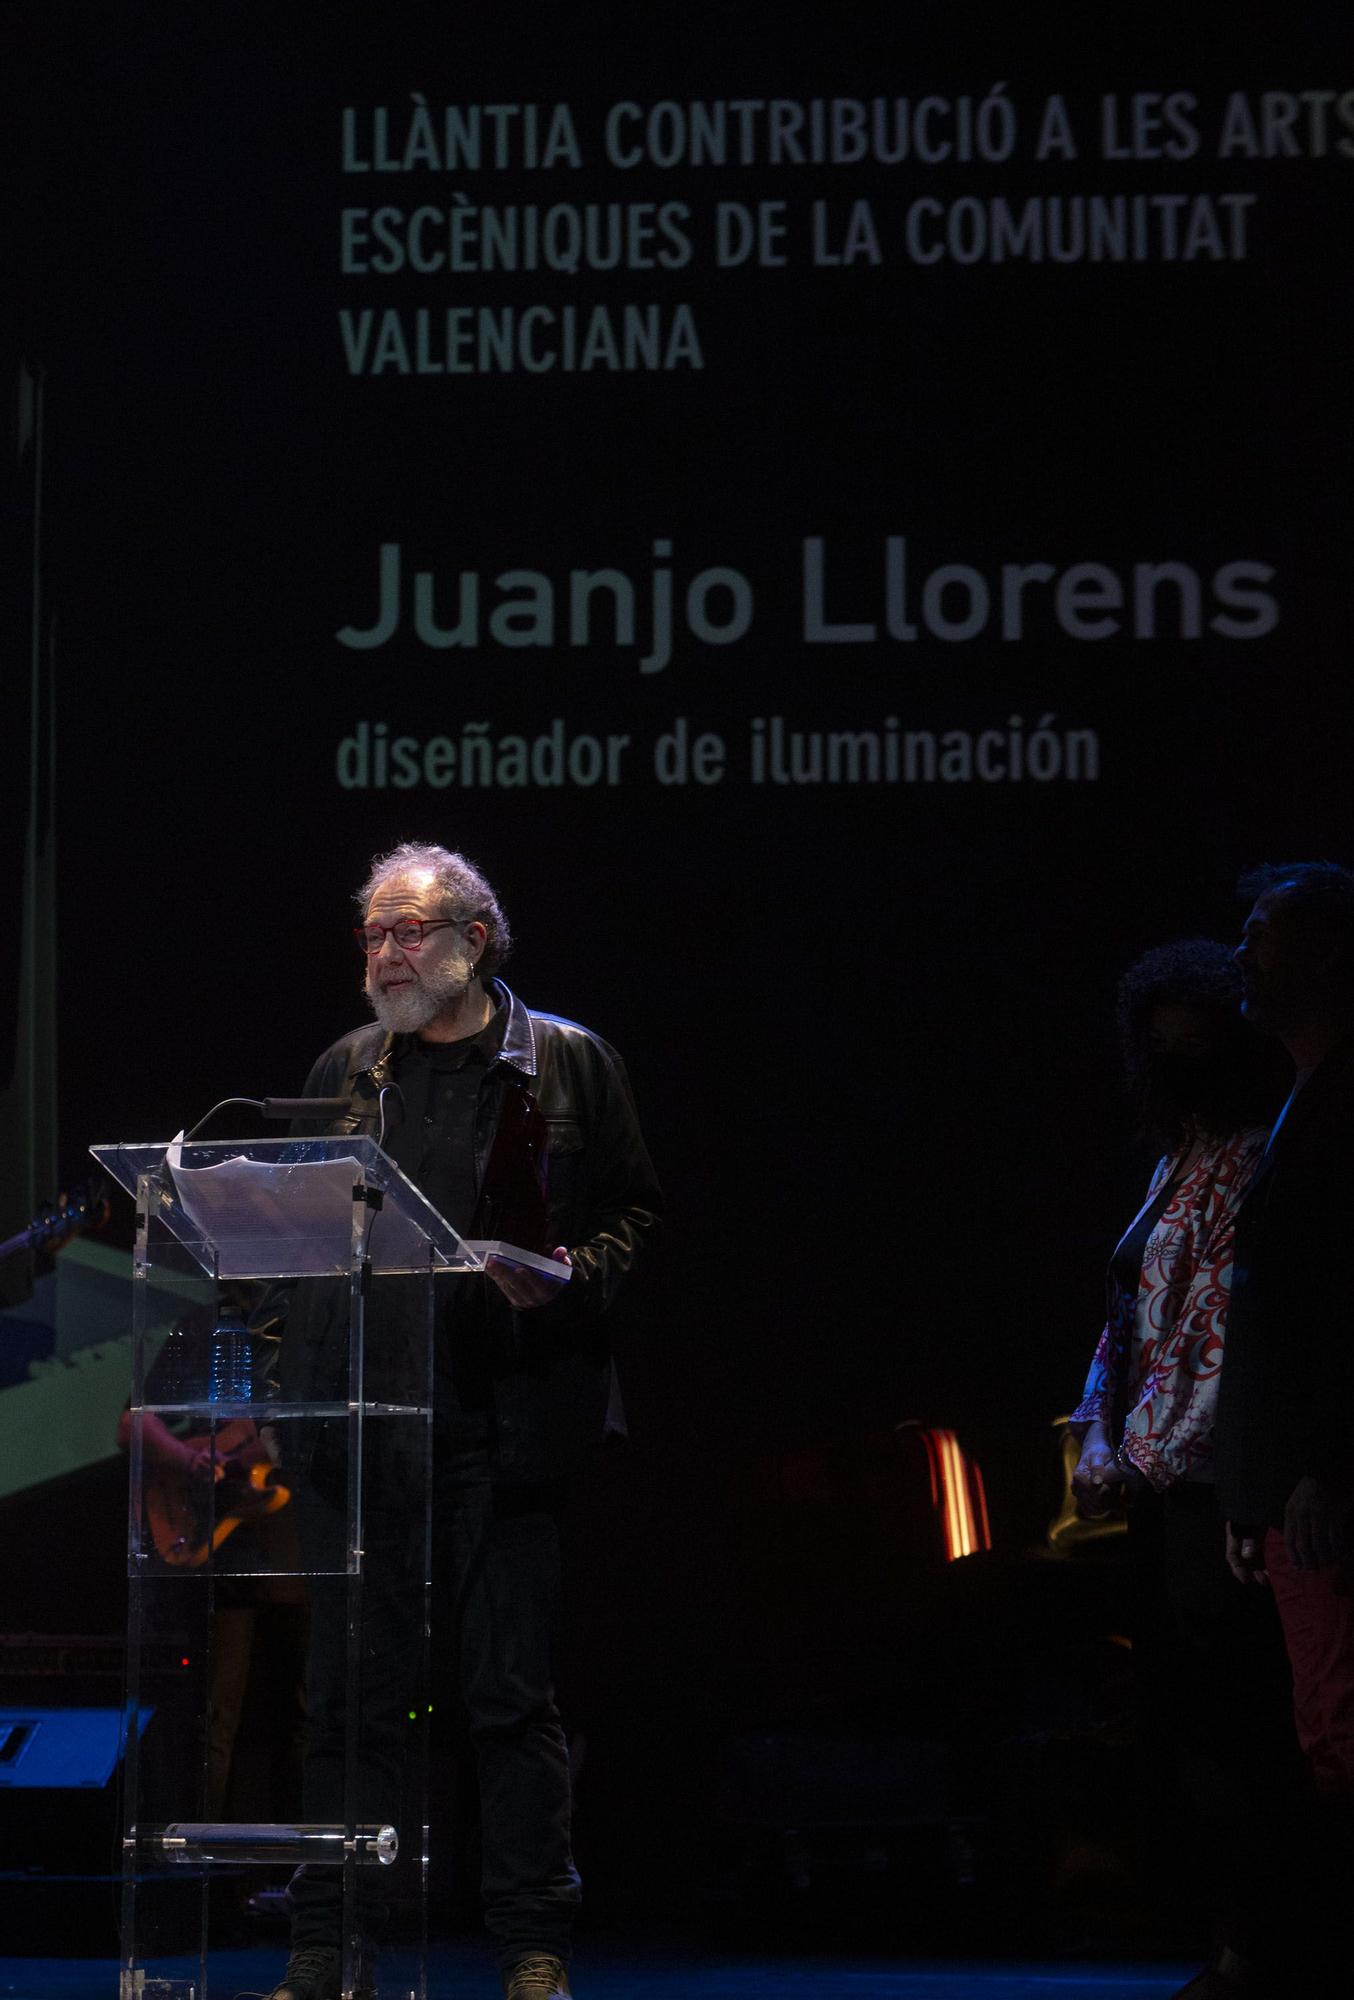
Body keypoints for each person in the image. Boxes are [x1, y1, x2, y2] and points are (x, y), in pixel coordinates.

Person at [268, 842, 661, 2000]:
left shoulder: (568, 1063)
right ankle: (324, 1947)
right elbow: (291, 1239)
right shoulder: (347, 1067)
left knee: (507, 1696)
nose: (385, 954)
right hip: (364, 1427)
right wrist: (285, 1378)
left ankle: (533, 1946)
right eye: (373, 935)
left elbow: (636, 1209)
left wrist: (572, 1272)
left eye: (407, 932)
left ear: (471, 940)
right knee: (345, 1700)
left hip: (507, 1424)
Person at [1070, 940, 1296, 2000]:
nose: (1170, 1061)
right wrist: (1099, 1433)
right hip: (1156, 1479)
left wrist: (1160, 1452)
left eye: (1189, 1040)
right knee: (1185, 1720)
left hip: (1215, 1482)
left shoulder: (1260, 1155)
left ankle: (1261, 1946)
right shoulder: (1175, 1159)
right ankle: (1231, 1937)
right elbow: (1132, 1311)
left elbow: (1229, 1335)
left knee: (1238, 1721)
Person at [1214, 862, 1354, 1994]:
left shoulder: (1346, 1104)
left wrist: (1318, 1467)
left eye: (1259, 934)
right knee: (1322, 1730)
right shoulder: (1307, 1099)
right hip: (1291, 1485)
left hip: (1329, 1484)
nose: (1239, 955)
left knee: (1343, 1731)